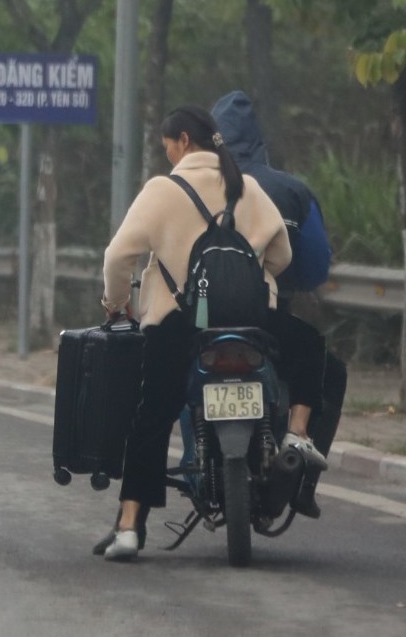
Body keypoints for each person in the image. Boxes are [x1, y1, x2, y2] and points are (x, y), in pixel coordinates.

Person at [95, 105, 326, 562]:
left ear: (182, 141)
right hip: (251, 322)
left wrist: (115, 301)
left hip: (181, 325)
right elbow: (279, 253)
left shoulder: (163, 190)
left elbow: (117, 256)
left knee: (153, 415)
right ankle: (297, 432)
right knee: (310, 347)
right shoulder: (247, 186)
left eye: (168, 148)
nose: (169, 158)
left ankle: (128, 526)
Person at [212, 90, 344, 518]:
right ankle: (303, 482)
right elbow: (314, 270)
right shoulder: (291, 190)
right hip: (267, 317)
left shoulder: (188, 185)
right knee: (328, 369)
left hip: (200, 318)